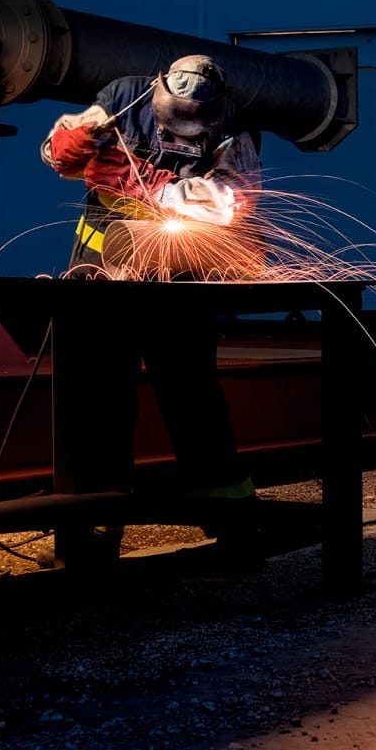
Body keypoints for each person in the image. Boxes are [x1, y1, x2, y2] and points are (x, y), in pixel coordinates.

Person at [41, 55, 262, 560]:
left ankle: (232, 522)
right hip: (100, 277)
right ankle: (95, 529)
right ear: (158, 91)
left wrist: (154, 187)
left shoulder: (236, 127)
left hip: (178, 281)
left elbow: (232, 201)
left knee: (192, 395)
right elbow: (61, 150)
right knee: (100, 400)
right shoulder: (124, 97)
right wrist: (66, 147)